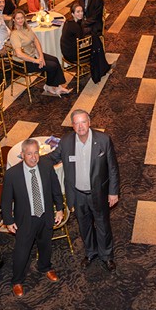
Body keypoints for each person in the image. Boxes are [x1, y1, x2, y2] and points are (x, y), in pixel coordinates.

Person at [47, 110, 120, 271]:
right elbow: (53, 158)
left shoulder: (103, 140)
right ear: (72, 126)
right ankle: (90, 252)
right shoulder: (66, 141)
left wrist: (113, 192)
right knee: (84, 226)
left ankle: (106, 255)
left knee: (103, 225)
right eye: (76, 123)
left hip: (98, 194)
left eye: (83, 122)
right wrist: (32, 160)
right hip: (78, 195)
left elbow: (113, 168)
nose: (80, 126)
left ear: (89, 122)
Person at [1, 138, 65, 297]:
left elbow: (56, 188)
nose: (33, 157)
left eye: (36, 153)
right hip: (26, 220)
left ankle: (45, 267)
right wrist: (8, 220)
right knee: (21, 252)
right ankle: (17, 281)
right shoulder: (12, 174)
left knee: (46, 246)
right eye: (29, 154)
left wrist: (59, 209)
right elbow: (6, 200)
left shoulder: (46, 166)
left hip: (45, 215)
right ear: (22, 155)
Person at [9, 10, 72, 96]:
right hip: (23, 62)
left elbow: (36, 40)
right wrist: (36, 61)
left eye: (22, 18)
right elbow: (19, 54)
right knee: (52, 65)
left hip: (33, 55)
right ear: (13, 20)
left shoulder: (26, 27)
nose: (20, 20)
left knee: (55, 59)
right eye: (18, 18)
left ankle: (56, 86)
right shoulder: (14, 34)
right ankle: (49, 86)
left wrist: (41, 56)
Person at [61, 2, 111, 84]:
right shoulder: (76, 27)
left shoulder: (69, 22)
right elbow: (81, 41)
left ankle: (103, 67)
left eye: (81, 11)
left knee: (95, 40)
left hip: (66, 51)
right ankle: (101, 70)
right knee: (96, 46)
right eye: (78, 12)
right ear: (72, 13)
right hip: (73, 55)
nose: (80, 13)